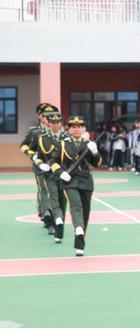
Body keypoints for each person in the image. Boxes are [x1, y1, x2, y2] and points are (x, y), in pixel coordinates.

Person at [52, 116, 102, 256]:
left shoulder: (88, 143)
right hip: (70, 181)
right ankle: (78, 228)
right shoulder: (62, 144)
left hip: (86, 181)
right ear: (69, 128)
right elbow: (52, 161)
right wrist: (61, 173)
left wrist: (95, 152)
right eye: (73, 126)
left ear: (83, 128)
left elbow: (96, 164)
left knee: (85, 213)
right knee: (75, 206)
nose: (76, 129)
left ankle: (79, 245)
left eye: (79, 126)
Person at [35, 108, 68, 244]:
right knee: (52, 197)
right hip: (49, 174)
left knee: (63, 201)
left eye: (58, 122)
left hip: (65, 174)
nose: (55, 124)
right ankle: (54, 225)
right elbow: (38, 156)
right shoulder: (43, 139)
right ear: (49, 123)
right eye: (53, 122)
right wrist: (41, 164)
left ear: (61, 123)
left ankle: (59, 222)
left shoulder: (67, 137)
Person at [20, 103, 53, 233]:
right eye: (46, 116)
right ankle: (47, 215)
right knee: (43, 189)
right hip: (40, 166)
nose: (49, 119)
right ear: (41, 117)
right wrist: (33, 156)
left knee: (54, 192)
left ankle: (49, 213)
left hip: (55, 167)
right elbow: (24, 146)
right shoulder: (34, 131)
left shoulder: (58, 131)